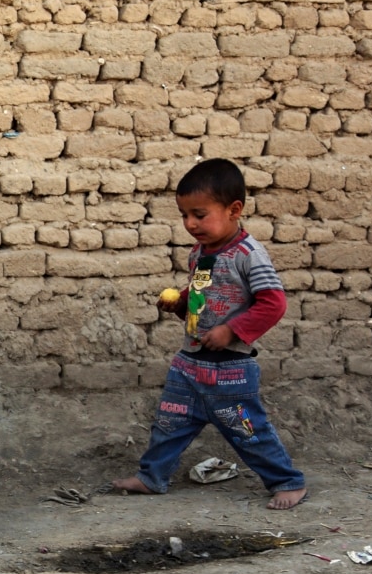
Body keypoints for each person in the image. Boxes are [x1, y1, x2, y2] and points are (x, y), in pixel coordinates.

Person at [113, 158, 307, 510]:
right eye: (184, 215)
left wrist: (231, 331)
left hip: (230, 370)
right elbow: (202, 295)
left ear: (234, 210)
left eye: (199, 215)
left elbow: (273, 303)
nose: (190, 224)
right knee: (169, 423)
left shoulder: (249, 256)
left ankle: (287, 481)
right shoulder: (200, 255)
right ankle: (151, 476)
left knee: (248, 431)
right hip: (189, 363)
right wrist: (181, 304)